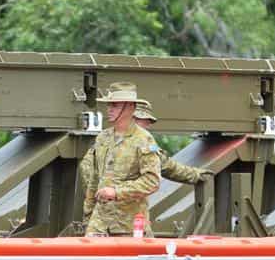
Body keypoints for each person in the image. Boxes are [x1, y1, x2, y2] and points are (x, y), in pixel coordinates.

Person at [81, 82, 161, 236]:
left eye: (115, 105)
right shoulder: (103, 138)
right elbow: (95, 179)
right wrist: (88, 215)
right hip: (99, 225)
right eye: (109, 105)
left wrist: (117, 192)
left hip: (129, 226)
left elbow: (152, 181)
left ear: (130, 107)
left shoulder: (144, 140)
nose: (109, 109)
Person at [132, 102, 213, 185]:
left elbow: (165, 164)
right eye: (145, 121)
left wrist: (195, 175)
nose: (148, 125)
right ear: (134, 119)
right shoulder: (134, 139)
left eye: (149, 122)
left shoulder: (145, 142)